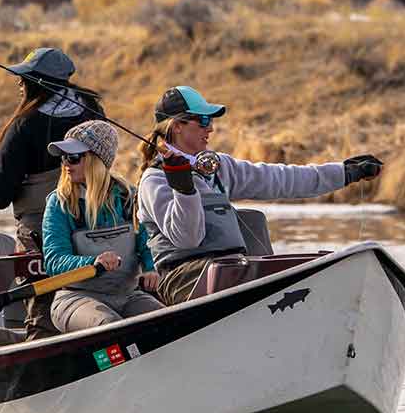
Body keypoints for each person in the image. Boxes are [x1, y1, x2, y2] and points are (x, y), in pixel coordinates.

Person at [138, 85, 384, 306]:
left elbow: (282, 179)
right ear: (177, 126)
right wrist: (184, 190)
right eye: (203, 120)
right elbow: (188, 239)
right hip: (183, 279)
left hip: (230, 273)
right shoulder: (154, 180)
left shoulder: (218, 167)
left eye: (211, 121)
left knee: (300, 271)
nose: (211, 128)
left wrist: (344, 173)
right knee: (243, 276)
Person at [0, 46, 104, 336]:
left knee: (44, 313)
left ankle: (40, 343)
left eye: (24, 78)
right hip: (97, 225)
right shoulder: (94, 111)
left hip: (41, 233)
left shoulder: (24, 125)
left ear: (36, 84)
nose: (19, 83)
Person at [39, 120, 163, 332]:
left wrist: (151, 269)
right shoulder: (59, 203)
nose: (66, 164)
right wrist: (92, 262)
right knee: (109, 325)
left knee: (166, 321)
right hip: (75, 298)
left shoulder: (128, 196)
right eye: (64, 158)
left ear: (97, 160)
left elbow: (147, 243)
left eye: (74, 157)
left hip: (128, 295)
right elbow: (54, 262)